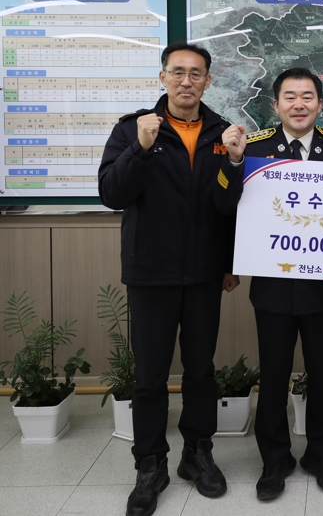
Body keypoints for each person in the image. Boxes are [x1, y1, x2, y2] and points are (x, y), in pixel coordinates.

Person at [98, 42, 247, 516]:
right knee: (150, 376)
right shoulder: (134, 129)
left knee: (201, 370)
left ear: (208, 81)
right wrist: (140, 150)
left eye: (196, 73)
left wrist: (234, 163)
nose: (187, 81)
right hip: (151, 272)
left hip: (203, 273)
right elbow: (112, 193)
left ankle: (197, 454)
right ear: (162, 77)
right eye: (178, 72)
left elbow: (226, 206)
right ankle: (150, 465)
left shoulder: (222, 132)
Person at [244, 68, 323, 500]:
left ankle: (322, 456)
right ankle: (274, 459)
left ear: (320, 105)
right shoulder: (253, 150)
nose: (299, 104)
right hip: (272, 285)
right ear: (275, 105)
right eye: (289, 97)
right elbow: (232, 211)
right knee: (273, 376)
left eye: (307, 96)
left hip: (322, 288)